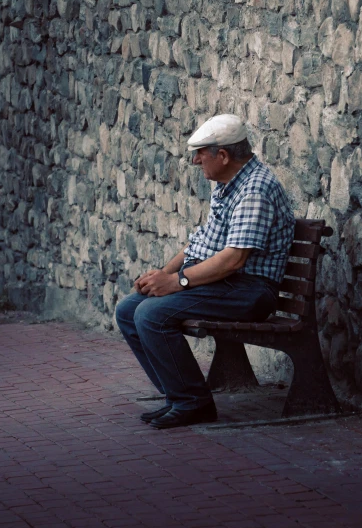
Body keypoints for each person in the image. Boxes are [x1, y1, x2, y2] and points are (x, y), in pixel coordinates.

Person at [115, 114, 295, 429]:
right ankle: (177, 395)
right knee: (130, 308)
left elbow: (233, 259)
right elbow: (200, 244)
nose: (196, 160)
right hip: (226, 285)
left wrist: (177, 281)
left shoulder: (255, 189)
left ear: (222, 156)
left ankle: (192, 403)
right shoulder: (227, 184)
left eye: (200, 153)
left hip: (250, 291)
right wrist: (162, 275)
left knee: (150, 316)